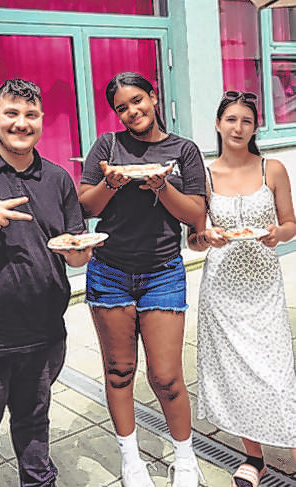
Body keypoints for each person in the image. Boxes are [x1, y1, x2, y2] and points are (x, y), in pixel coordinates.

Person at [78, 71, 207, 487]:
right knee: (118, 371)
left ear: (153, 97)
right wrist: (111, 184)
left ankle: (186, 459)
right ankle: (131, 460)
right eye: (121, 107)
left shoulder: (183, 150)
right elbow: (84, 206)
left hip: (163, 273)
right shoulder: (108, 146)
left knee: (167, 376)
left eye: (137, 100)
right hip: (110, 271)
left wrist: (163, 186)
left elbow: (195, 215)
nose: (132, 111)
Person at [0, 78, 94, 487]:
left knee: (34, 424)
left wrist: (79, 254)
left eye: (31, 115)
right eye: (11, 113)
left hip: (42, 333)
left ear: (41, 121)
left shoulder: (57, 178)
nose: (21, 123)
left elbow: (75, 239)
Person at [187, 90, 296, 487]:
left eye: (246, 121)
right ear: (218, 124)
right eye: (231, 119)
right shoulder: (203, 174)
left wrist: (277, 233)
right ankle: (255, 458)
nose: (238, 127)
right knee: (235, 375)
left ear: (255, 128)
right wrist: (206, 237)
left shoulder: (274, 169)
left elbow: (291, 223)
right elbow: (193, 239)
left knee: (276, 375)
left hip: (263, 286)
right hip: (221, 289)